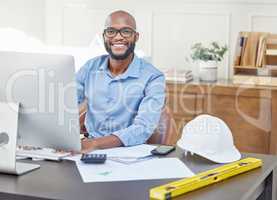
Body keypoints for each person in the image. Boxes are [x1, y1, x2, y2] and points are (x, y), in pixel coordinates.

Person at [77, 10, 165, 153]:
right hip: (87, 148)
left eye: (126, 32)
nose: (118, 37)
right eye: (111, 31)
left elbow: (143, 128)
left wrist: (95, 144)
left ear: (136, 37)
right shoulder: (89, 67)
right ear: (104, 36)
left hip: (128, 151)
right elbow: (65, 103)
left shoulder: (154, 77)